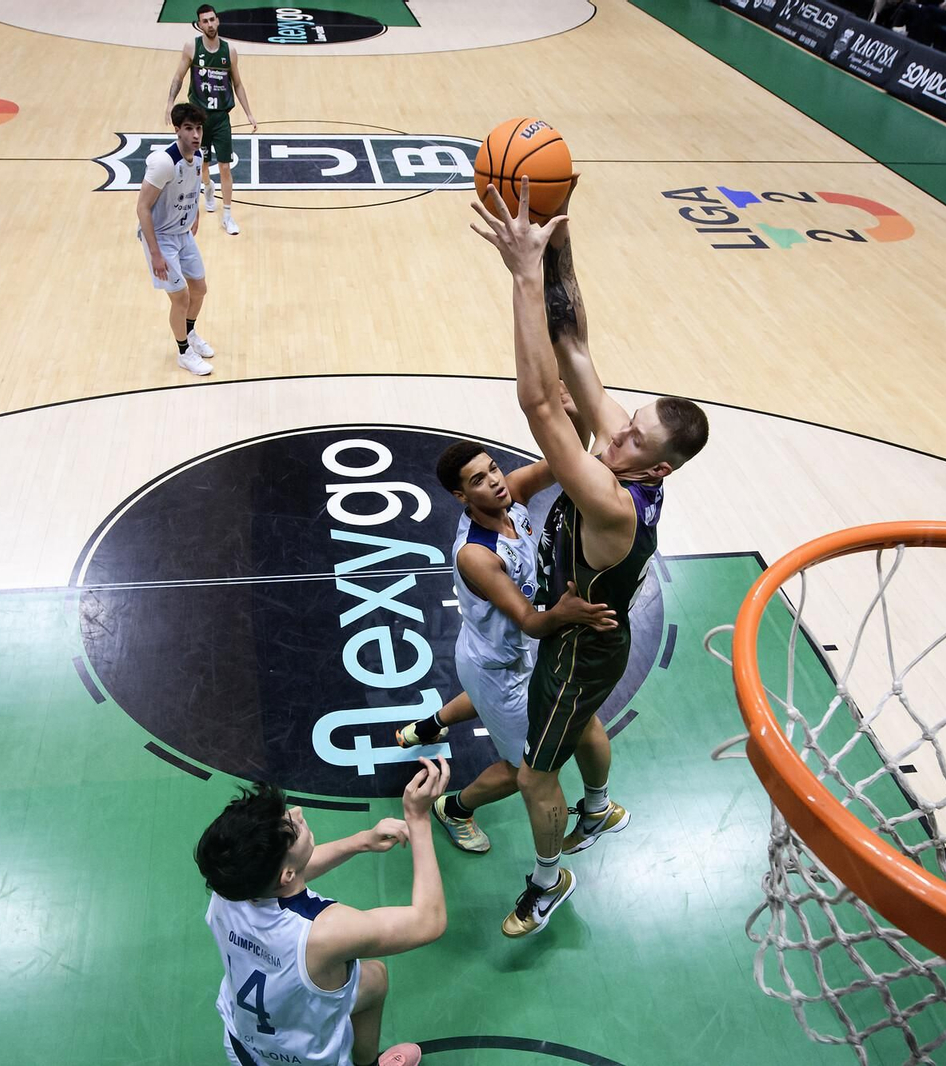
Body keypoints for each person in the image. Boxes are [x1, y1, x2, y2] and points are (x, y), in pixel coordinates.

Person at [470, 178, 710, 937]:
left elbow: (541, 406)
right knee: (583, 727)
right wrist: (556, 236)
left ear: (657, 469)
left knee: (539, 771)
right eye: (626, 421)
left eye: (633, 438)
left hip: (576, 650)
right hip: (597, 637)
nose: (614, 433)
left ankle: (548, 882)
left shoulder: (612, 499)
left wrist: (521, 273)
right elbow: (573, 346)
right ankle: (601, 809)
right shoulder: (628, 450)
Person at [395, 442, 617, 855]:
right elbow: (531, 623)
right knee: (522, 770)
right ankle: (455, 809)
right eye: (478, 480)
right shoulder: (477, 555)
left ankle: (427, 727)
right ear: (462, 497)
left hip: (508, 655)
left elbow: (563, 458)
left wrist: (568, 418)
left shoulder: (511, 495)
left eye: (493, 468)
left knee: (491, 700)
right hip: (497, 666)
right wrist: (569, 612)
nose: (495, 481)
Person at [195, 758, 449, 1066]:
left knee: (374, 979)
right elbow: (428, 921)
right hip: (308, 1061)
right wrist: (418, 818)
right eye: (292, 826)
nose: (298, 814)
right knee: (369, 976)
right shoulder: (323, 932)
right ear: (285, 875)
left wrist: (360, 842)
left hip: (242, 1045)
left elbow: (286, 877)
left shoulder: (229, 884)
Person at [165, 4, 258, 236]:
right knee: (202, 166)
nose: (209, 24)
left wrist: (249, 113)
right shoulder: (192, 48)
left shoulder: (230, 51)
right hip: (199, 120)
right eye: (204, 21)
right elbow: (178, 77)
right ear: (199, 24)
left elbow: (237, 84)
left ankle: (227, 215)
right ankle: (208, 186)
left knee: (225, 166)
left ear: (218, 21)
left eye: (212, 20)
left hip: (221, 119)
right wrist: (169, 104)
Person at [138, 103, 215, 376]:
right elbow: (142, 208)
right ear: (177, 131)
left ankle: (190, 331)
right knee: (180, 297)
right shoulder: (164, 163)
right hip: (160, 238)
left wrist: (196, 215)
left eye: (199, 128)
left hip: (182, 234)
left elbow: (193, 188)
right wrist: (155, 253)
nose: (196, 134)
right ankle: (184, 352)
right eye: (189, 129)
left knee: (199, 288)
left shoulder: (197, 156)